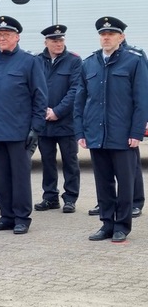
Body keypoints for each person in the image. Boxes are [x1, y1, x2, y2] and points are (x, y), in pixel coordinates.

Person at [76, 17, 148, 243]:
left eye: (111, 34)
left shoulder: (133, 61)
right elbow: (80, 100)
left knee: (125, 184)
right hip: (96, 135)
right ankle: (107, 224)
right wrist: (80, 132)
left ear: (121, 37)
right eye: (103, 34)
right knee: (103, 182)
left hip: (122, 135)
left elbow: (142, 100)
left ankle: (122, 226)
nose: (106, 38)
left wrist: (136, 132)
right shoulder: (89, 63)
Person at [0, 16, 47, 235]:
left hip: (18, 131)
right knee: (0, 177)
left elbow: (40, 97)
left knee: (19, 178)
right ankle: (6, 216)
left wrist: (36, 128)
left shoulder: (29, 62)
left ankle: (22, 218)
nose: (2, 38)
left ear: (17, 37)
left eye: (7, 35)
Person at [35, 25, 82, 214]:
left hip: (66, 122)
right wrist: (42, 111)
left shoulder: (74, 61)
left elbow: (75, 90)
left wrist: (57, 111)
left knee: (70, 162)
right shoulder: (37, 61)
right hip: (44, 122)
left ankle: (70, 198)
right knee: (47, 162)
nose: (58, 43)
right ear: (46, 42)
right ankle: (50, 197)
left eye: (61, 40)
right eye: (54, 40)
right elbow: (33, 88)